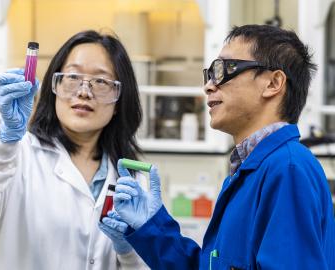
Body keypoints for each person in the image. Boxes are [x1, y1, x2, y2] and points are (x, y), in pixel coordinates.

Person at [105, 24, 335, 269]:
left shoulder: (288, 169)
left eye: (225, 69)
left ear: (273, 83)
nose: (208, 86)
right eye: (210, 73)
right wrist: (151, 226)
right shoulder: (252, 170)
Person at [0, 30, 149, 270]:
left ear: (119, 99)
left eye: (100, 81)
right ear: (53, 86)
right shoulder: (14, 155)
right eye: (73, 77)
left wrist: (129, 252)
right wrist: (5, 141)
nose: (84, 91)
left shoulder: (133, 179)